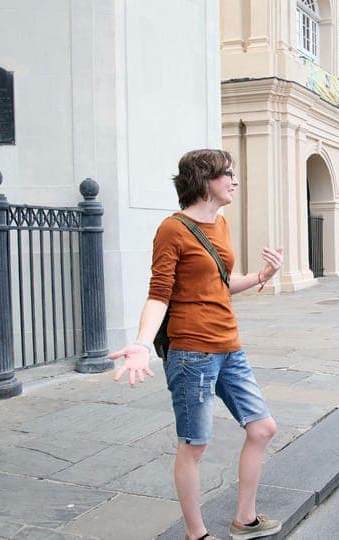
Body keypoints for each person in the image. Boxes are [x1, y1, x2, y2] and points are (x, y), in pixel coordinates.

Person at [108, 149, 284, 540]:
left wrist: (262, 275)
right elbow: (159, 294)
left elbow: (219, 284)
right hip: (192, 353)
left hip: (229, 346)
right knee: (194, 446)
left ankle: (245, 520)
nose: (234, 181)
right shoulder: (172, 230)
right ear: (205, 180)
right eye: (228, 174)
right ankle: (196, 534)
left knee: (262, 428)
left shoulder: (220, 223)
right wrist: (141, 343)